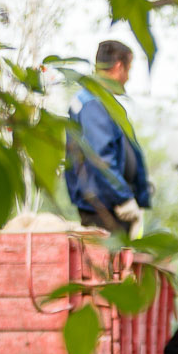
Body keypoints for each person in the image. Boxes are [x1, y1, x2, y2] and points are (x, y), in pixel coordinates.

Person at [64, 40, 152, 236]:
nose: (128, 78)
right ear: (119, 67)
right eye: (129, 70)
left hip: (111, 207)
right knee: (109, 265)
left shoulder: (99, 101)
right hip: (106, 211)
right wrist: (123, 198)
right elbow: (100, 157)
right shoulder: (92, 103)